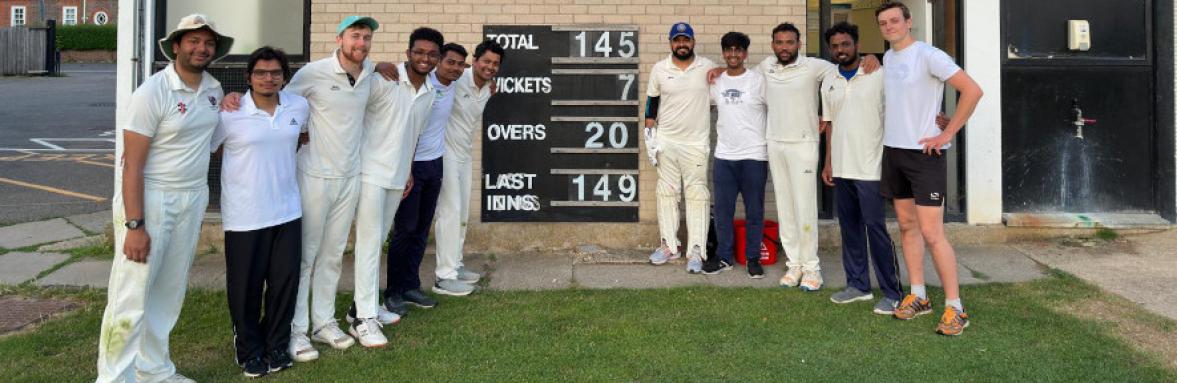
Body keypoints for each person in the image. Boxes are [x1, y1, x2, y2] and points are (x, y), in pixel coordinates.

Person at [96, 13, 233, 383]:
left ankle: (153, 369)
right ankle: (113, 378)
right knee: (131, 295)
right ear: (176, 46)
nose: (201, 48)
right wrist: (135, 225)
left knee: (168, 292)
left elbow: (215, 140)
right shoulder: (151, 92)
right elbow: (131, 167)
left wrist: (237, 104)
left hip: (192, 198)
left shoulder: (214, 90)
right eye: (193, 41)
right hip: (151, 199)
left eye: (207, 43)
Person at [875, 1, 983, 336]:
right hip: (895, 151)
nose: (889, 26)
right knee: (907, 227)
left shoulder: (928, 54)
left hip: (925, 156)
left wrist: (948, 132)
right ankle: (918, 296)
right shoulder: (888, 58)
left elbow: (972, 90)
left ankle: (955, 308)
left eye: (895, 20)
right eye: (883, 22)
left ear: (909, 22)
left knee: (933, 233)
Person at [754, 23, 879, 291]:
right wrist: (718, 72)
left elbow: (845, 64)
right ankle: (794, 265)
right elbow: (740, 79)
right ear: (773, 44)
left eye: (789, 42)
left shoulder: (815, 67)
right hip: (775, 143)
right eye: (779, 42)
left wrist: (870, 56)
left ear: (799, 44)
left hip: (804, 144)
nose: (784, 47)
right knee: (785, 208)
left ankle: (812, 268)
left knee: (805, 207)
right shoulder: (766, 66)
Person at [284, 15, 379, 359]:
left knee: (333, 254)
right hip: (314, 176)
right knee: (306, 256)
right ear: (339, 39)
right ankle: (296, 332)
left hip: (349, 177)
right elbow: (281, 103)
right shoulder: (313, 72)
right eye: (355, 36)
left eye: (366, 38)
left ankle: (323, 322)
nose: (362, 44)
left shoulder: (370, 74)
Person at [211, 47, 308, 377]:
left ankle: (276, 346)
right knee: (246, 288)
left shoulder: (297, 106)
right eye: (261, 73)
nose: (269, 78)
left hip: (287, 211)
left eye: (276, 72)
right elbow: (215, 148)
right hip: (245, 215)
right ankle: (250, 351)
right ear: (248, 77)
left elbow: (299, 139)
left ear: (285, 76)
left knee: (284, 285)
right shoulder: (229, 113)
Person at [345, 26, 443, 349]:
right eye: (419, 52)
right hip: (371, 174)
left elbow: (413, 134)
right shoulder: (383, 79)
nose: (425, 58)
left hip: (398, 177)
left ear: (438, 58)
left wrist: (409, 171)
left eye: (431, 54)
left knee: (378, 243)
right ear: (408, 53)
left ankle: (362, 307)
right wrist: (372, 65)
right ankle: (363, 320)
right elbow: (350, 89)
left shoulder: (429, 92)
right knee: (369, 245)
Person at [818, 22, 904, 315]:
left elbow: (899, 110)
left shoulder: (877, 73)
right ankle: (858, 285)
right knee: (850, 229)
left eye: (845, 44)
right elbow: (829, 125)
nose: (840, 50)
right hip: (842, 167)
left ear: (856, 44)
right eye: (835, 46)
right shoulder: (829, 79)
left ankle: (892, 292)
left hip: (871, 166)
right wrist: (828, 162)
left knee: (876, 229)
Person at [384, 42, 469, 310]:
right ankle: (393, 291)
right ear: (439, 62)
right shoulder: (419, 83)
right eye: (449, 62)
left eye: (460, 64)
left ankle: (411, 286)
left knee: (421, 230)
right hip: (411, 167)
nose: (455, 68)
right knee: (405, 230)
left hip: (435, 164)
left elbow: (480, 73)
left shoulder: (453, 83)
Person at [645, 22, 717, 274]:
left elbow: (721, 94)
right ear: (671, 43)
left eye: (686, 40)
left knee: (697, 194)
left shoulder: (707, 67)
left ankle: (696, 250)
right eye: (677, 40)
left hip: (696, 144)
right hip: (667, 141)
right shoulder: (659, 69)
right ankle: (669, 246)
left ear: (693, 42)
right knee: (666, 193)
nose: (682, 44)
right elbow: (651, 103)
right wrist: (650, 137)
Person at [432, 39, 503, 291]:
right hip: (445, 154)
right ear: (475, 61)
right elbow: (426, 71)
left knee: (461, 213)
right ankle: (444, 276)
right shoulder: (455, 78)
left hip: (464, 155)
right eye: (486, 61)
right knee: (449, 213)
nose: (490, 66)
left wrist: (488, 86)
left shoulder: (487, 88)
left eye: (495, 64)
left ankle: (456, 263)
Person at [703, 31, 768, 279]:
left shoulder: (758, 81)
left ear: (745, 53)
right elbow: (701, 103)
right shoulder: (716, 82)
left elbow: (778, 108)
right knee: (723, 211)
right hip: (724, 156)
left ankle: (753, 258)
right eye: (729, 50)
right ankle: (724, 257)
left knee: (754, 211)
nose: (733, 54)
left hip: (754, 155)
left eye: (738, 50)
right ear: (724, 53)